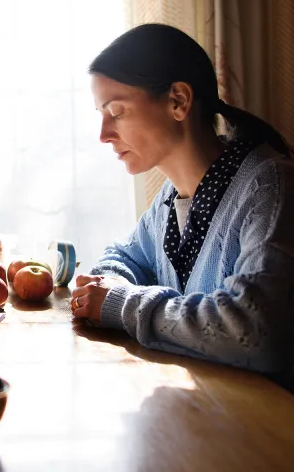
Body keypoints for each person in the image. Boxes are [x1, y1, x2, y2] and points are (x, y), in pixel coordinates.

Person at [72, 23, 294, 388]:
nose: (103, 134)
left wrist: (121, 304)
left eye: (117, 112)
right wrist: (108, 285)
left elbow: (256, 331)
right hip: (205, 405)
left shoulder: (270, 186)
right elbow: (125, 257)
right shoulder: (170, 199)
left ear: (178, 100)